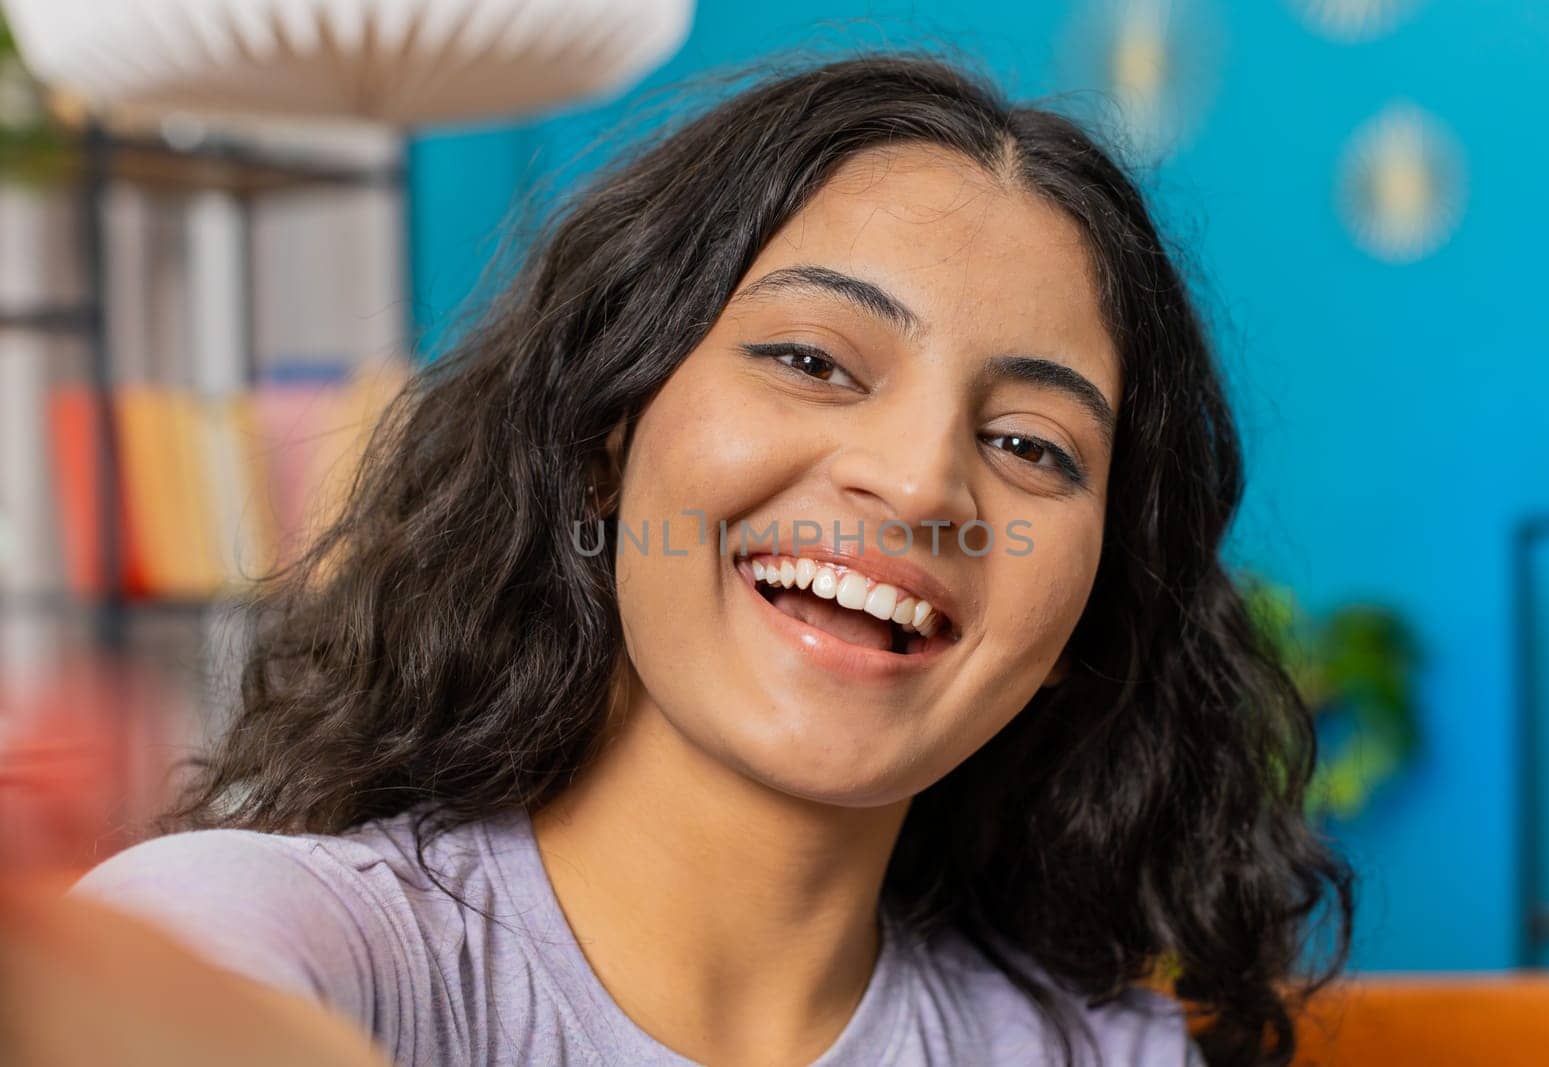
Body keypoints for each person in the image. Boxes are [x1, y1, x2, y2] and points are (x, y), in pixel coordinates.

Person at [69, 51, 1354, 1067]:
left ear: (1088, 614)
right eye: (809, 360)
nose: (915, 481)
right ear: (598, 442)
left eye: (1029, 443)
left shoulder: (1087, 1049)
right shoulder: (326, 944)